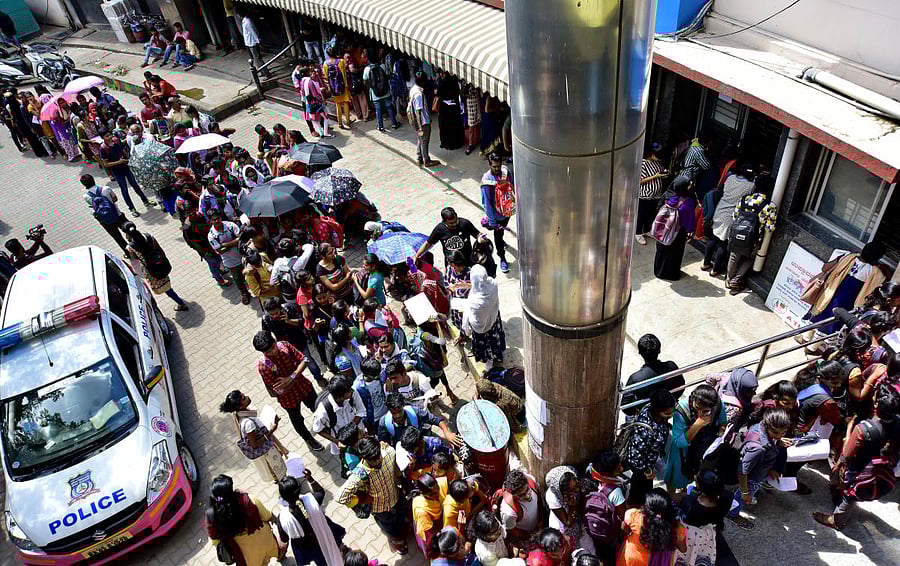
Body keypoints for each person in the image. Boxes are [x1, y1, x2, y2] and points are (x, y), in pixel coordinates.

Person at [813, 383, 900, 530]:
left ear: (877, 405)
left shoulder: (864, 428)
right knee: (852, 490)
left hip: (859, 469)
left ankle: (837, 520)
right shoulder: (898, 423)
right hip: (883, 467)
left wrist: (849, 429)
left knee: (850, 492)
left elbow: (846, 454)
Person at [800, 241, 888, 341]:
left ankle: (805, 338)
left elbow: (825, 267)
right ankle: (812, 348)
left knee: (819, 314)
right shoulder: (874, 272)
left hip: (829, 295)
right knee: (831, 324)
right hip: (847, 302)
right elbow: (883, 280)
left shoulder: (848, 257)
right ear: (877, 257)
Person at [253, 330, 325, 452]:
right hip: (288, 398)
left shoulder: (285, 346)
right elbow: (279, 388)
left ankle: (327, 427)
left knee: (318, 408)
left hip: (304, 386)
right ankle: (308, 439)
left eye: (273, 347)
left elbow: (304, 360)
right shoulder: (264, 366)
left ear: (275, 341)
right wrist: (295, 374)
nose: (272, 352)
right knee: (298, 421)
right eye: (267, 351)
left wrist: (292, 377)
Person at [337, 437, 411, 554]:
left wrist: (403, 483)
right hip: (379, 508)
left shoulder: (389, 452)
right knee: (389, 527)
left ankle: (403, 528)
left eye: (378, 456)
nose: (377, 461)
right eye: (373, 460)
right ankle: (398, 541)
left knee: (402, 515)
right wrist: (360, 500)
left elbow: (396, 469)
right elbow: (340, 497)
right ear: (364, 458)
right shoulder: (359, 474)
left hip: (396, 496)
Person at [727, 408, 790, 530]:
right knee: (740, 496)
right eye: (776, 432)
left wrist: (777, 440)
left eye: (783, 432)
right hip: (753, 478)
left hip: (759, 470)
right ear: (767, 426)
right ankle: (732, 513)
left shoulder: (759, 425)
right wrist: (746, 492)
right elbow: (743, 471)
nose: (780, 436)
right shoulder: (758, 448)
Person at [664, 385, 726, 496]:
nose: (700, 413)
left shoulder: (716, 404)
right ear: (693, 399)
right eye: (698, 408)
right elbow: (678, 441)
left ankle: (683, 490)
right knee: (675, 477)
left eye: (705, 411)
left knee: (692, 473)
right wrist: (697, 425)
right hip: (683, 453)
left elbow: (723, 421)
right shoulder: (681, 411)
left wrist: (721, 434)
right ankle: (671, 497)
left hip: (703, 449)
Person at [206, 474, 279, 566]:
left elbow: (214, 541)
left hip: (244, 553)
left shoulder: (212, 515)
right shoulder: (249, 500)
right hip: (264, 540)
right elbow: (267, 516)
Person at [276, 475, 346, 566]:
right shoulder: (312, 500)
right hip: (326, 536)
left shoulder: (283, 518)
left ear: (283, 498)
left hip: (308, 550)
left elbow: (284, 539)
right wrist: (311, 479)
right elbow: (320, 492)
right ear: (299, 489)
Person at [220, 390, 289, 482]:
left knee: (276, 470)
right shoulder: (248, 424)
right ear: (240, 406)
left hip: (267, 447)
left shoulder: (239, 414)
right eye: (244, 398)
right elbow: (254, 444)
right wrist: (271, 430)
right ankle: (286, 485)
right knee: (279, 471)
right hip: (267, 452)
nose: (247, 397)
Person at [703, 162, 755, 276]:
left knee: (713, 238)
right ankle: (715, 270)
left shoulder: (730, 177)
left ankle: (705, 263)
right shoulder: (750, 186)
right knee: (723, 243)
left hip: (719, 210)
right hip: (731, 216)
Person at [122, 222, 189, 311]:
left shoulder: (130, 247)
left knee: (166, 289)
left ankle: (181, 303)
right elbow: (160, 249)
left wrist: (140, 276)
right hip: (161, 263)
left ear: (126, 234)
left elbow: (136, 264)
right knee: (167, 287)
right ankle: (179, 301)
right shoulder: (149, 236)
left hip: (151, 272)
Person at [726, 185, 778, 294]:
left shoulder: (744, 199)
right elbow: (770, 228)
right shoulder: (770, 205)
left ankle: (728, 279)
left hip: (737, 234)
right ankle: (735, 282)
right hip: (753, 239)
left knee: (733, 256)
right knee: (749, 258)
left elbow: (735, 216)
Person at [262, 297, 325, 384]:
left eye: (276, 313)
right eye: (271, 315)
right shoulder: (265, 319)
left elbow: (302, 322)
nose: (274, 316)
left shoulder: (289, 308)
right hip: (284, 349)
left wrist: (289, 321)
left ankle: (319, 378)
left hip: (299, 341)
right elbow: (266, 336)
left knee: (309, 361)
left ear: (280, 308)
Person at [617, 488, 687, 566]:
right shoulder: (678, 528)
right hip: (659, 563)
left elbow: (625, 530)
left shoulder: (632, 515)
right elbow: (683, 549)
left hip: (633, 559)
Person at [676, 469, 730, 566]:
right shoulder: (727, 498)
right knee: (701, 551)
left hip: (691, 535)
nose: (695, 476)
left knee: (688, 552)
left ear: (701, 487)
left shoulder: (690, 504)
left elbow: (682, 516)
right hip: (707, 533)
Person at [621, 334, 683, 415]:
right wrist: (667, 404)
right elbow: (681, 386)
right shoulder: (671, 366)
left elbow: (625, 406)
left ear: (640, 353)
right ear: (659, 350)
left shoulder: (635, 378)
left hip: (648, 413)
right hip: (666, 409)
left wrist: (640, 412)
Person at [98, 132, 157, 217]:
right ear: (103, 138)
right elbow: (106, 164)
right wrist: (119, 162)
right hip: (117, 172)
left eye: (110, 134)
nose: (110, 137)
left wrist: (129, 160)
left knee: (135, 185)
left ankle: (145, 201)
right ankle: (132, 208)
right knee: (124, 190)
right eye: (107, 136)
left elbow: (123, 151)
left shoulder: (117, 141)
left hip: (126, 167)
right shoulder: (103, 148)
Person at [653, 177, 697, 281]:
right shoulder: (688, 201)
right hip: (678, 232)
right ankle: (671, 274)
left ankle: (659, 271)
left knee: (661, 250)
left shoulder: (667, 195)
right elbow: (688, 221)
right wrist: (690, 231)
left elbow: (658, 208)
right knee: (674, 253)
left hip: (663, 228)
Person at [463, 264, 506, 370]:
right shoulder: (492, 283)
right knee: (495, 342)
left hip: (484, 331)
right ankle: (497, 357)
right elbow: (479, 286)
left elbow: (478, 325)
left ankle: (489, 363)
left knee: (487, 349)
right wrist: (466, 286)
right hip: (494, 319)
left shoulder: (475, 302)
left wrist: (466, 313)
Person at [378, 391, 460, 446]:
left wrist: (447, 432)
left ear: (403, 405)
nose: (397, 416)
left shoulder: (415, 412)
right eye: (394, 413)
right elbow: (384, 444)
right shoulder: (384, 423)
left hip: (421, 444)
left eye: (399, 411)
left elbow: (436, 420)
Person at [312, 375, 366, 456]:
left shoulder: (352, 393)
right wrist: (337, 442)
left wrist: (352, 431)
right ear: (339, 396)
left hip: (359, 434)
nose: (351, 391)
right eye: (348, 391)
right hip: (342, 444)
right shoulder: (322, 412)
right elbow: (318, 429)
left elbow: (361, 411)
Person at [545, 466, 592, 555]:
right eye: (572, 490)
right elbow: (568, 523)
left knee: (589, 548)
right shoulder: (553, 497)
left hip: (579, 521)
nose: (577, 490)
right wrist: (572, 506)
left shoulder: (573, 480)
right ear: (561, 492)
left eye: (576, 486)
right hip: (565, 525)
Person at [415, 207, 484, 269]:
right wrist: (416, 256)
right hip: (452, 265)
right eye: (451, 223)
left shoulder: (465, 223)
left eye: (455, 221)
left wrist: (482, 238)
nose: (454, 224)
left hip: (468, 262)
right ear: (444, 221)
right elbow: (428, 244)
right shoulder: (439, 229)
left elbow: (477, 234)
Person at [207, 210, 252, 304]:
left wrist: (224, 244)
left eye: (218, 218)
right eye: (213, 220)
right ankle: (244, 293)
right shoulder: (211, 235)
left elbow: (240, 237)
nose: (216, 221)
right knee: (237, 279)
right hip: (230, 262)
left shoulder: (230, 225)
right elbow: (219, 251)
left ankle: (253, 288)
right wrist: (234, 242)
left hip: (243, 256)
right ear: (210, 221)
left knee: (250, 274)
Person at [182, 202, 231, 286]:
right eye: (188, 212)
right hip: (204, 249)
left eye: (192, 210)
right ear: (186, 213)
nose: (191, 213)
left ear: (196, 208)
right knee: (213, 264)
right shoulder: (187, 227)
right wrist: (204, 253)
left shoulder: (200, 216)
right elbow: (192, 243)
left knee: (219, 259)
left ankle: (221, 270)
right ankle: (220, 280)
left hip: (211, 243)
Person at [481, 154, 513, 273]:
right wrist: (492, 222)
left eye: (499, 166)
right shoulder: (487, 182)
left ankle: (502, 237)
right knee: (498, 237)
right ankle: (502, 257)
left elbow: (513, 186)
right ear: (489, 165)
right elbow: (487, 204)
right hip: (497, 216)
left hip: (508, 212)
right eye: (494, 167)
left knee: (502, 230)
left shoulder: (506, 171)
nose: (497, 169)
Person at [80, 174, 128, 254]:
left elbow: (93, 206)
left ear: (84, 184)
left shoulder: (86, 196)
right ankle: (139, 246)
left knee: (118, 238)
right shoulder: (106, 189)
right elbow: (115, 199)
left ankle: (128, 253)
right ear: (93, 179)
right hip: (118, 215)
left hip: (106, 221)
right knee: (129, 229)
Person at [498, 469, 542, 544]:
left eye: (527, 490)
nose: (527, 495)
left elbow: (539, 501)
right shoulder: (509, 512)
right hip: (526, 537)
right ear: (512, 494)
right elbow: (512, 530)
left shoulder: (531, 480)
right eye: (521, 495)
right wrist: (531, 536)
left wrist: (541, 521)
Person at [635, 143, 667, 245]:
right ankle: (638, 232)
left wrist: (663, 175)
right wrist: (655, 176)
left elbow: (659, 174)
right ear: (651, 154)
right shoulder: (643, 163)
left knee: (650, 214)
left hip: (656, 194)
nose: (658, 158)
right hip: (645, 195)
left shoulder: (657, 163)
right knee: (642, 214)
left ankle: (647, 230)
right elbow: (639, 180)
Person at [411, 473, 449, 554]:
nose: (437, 494)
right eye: (431, 494)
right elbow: (428, 534)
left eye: (437, 489)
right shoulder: (421, 510)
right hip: (429, 526)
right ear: (422, 493)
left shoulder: (441, 483)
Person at [407, 71, 440, 166]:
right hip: (423, 122)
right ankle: (427, 160)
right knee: (425, 140)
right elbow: (418, 112)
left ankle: (419, 157)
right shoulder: (419, 95)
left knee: (420, 139)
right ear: (423, 82)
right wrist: (420, 127)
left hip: (416, 121)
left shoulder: (413, 89)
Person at [364, 53, 400, 132]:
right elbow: (387, 76)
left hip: (375, 93)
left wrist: (372, 87)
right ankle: (394, 123)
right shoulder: (382, 66)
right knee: (389, 107)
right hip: (385, 91)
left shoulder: (367, 69)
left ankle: (380, 126)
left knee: (378, 109)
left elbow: (365, 80)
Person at [357, 356, 389, 434]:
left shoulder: (379, 374)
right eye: (375, 375)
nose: (379, 376)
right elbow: (360, 410)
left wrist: (388, 379)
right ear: (366, 374)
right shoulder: (358, 388)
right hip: (375, 420)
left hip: (387, 414)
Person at [323, 46, 352, 129]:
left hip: (333, 87)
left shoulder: (325, 64)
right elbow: (344, 74)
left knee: (338, 104)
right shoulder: (341, 61)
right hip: (342, 85)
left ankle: (340, 123)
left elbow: (326, 77)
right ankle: (348, 120)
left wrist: (329, 87)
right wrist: (346, 85)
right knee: (346, 102)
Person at [299, 67, 333, 138]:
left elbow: (302, 92)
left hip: (308, 103)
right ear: (307, 73)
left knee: (315, 119)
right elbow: (315, 94)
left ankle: (321, 133)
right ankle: (326, 133)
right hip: (316, 103)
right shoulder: (310, 81)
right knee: (325, 117)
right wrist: (321, 100)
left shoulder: (302, 81)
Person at [436, 70, 464, 150]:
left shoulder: (442, 83)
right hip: (452, 108)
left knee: (446, 126)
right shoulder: (453, 81)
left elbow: (439, 94)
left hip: (446, 109)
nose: (441, 75)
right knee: (453, 126)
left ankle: (446, 143)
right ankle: (453, 143)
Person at [240, 9, 268, 77]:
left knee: (258, 58)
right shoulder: (245, 21)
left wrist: (258, 41)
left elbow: (253, 32)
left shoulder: (247, 22)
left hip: (252, 42)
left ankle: (266, 73)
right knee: (256, 59)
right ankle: (262, 71)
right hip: (249, 42)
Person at [463, 84, 481, 155]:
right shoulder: (465, 82)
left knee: (477, 123)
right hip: (470, 105)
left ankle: (478, 140)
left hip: (476, 103)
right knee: (471, 126)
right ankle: (470, 144)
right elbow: (463, 93)